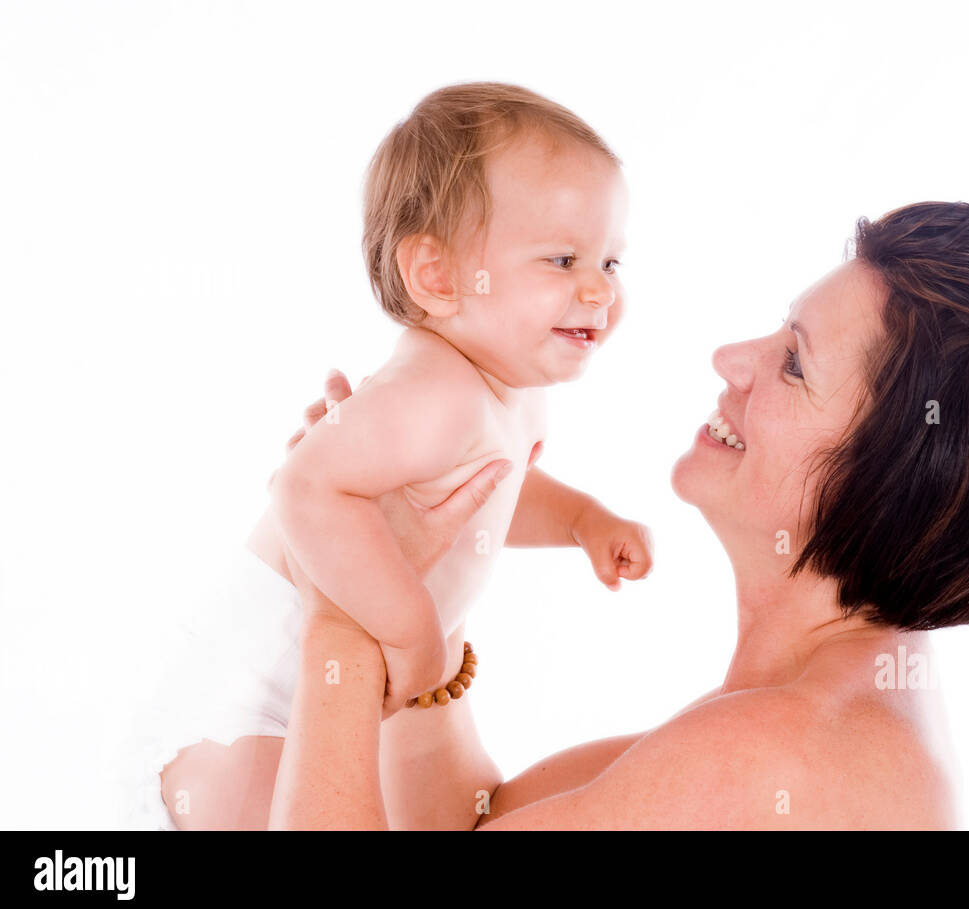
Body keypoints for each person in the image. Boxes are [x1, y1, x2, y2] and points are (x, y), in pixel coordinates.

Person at [267, 202, 969, 829]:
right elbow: (471, 821)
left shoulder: (775, 762)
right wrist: (415, 585)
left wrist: (339, 590)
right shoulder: (812, 718)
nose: (731, 358)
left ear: (893, 476)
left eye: (795, 364)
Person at [139, 83, 653, 831]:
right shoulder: (434, 390)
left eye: (611, 261)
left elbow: (490, 491)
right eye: (564, 258)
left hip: (329, 699)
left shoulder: (507, 388)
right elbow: (304, 486)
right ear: (438, 277)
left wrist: (579, 519)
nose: (598, 290)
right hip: (248, 703)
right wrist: (411, 628)